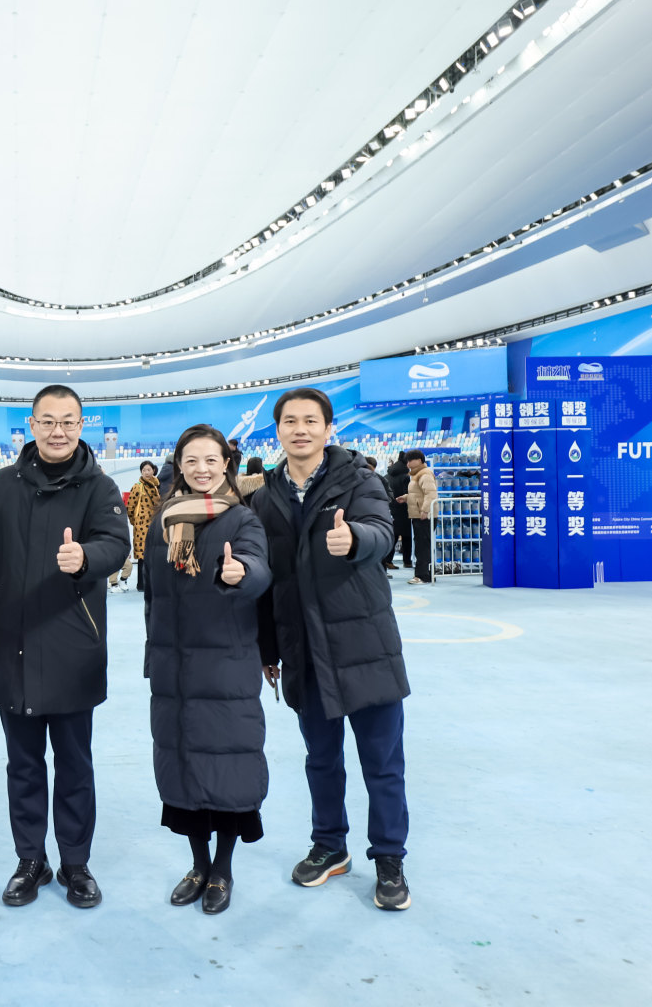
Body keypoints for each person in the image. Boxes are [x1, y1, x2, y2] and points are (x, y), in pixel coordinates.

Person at [0, 384, 131, 910]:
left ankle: (76, 862)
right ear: (32, 425)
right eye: (48, 421)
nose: (58, 431)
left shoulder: (100, 487)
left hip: (72, 647)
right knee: (23, 764)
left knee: (75, 764)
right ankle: (30, 860)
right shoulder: (2, 486)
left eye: (68, 421)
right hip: (11, 644)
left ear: (81, 425)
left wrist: (85, 557)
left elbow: (117, 544)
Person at [249, 387, 412, 912]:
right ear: (278, 431)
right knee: (321, 760)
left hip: (364, 643)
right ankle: (329, 846)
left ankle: (389, 859)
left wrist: (356, 540)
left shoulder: (359, 479)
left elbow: (383, 530)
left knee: (382, 763)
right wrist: (268, 649)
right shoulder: (265, 497)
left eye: (310, 421)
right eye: (290, 421)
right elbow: (267, 581)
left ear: (327, 428)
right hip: (304, 649)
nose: (300, 429)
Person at [143, 425, 272, 915]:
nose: (201, 469)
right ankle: (197, 864)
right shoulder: (163, 520)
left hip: (224, 665)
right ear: (179, 464)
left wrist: (241, 573)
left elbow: (259, 568)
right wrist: (153, 653)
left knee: (227, 766)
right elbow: (153, 597)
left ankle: (222, 867)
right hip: (173, 668)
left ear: (226, 465)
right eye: (191, 460)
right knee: (182, 767)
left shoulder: (242, 518)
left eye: (210, 460)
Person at [398, 451, 437, 585]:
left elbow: (430, 494)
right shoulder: (417, 475)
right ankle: (428, 574)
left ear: (419, 460)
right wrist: (406, 497)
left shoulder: (425, 474)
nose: (408, 463)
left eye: (410, 460)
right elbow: (418, 494)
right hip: (419, 514)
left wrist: (425, 510)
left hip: (424, 516)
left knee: (422, 546)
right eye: (407, 461)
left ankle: (422, 575)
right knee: (422, 545)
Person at [125, 460, 160, 591]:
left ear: (153, 471)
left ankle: (152, 583)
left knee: (153, 555)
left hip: (155, 525)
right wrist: (135, 521)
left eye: (149, 470)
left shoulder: (157, 486)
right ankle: (142, 584)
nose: (146, 472)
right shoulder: (137, 487)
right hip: (141, 526)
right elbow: (130, 507)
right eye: (144, 470)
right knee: (142, 556)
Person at [386, 455, 412, 570]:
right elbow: (407, 493)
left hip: (390, 507)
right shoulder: (406, 477)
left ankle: (387, 560)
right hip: (404, 508)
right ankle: (407, 561)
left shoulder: (387, 475)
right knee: (407, 536)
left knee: (393, 536)